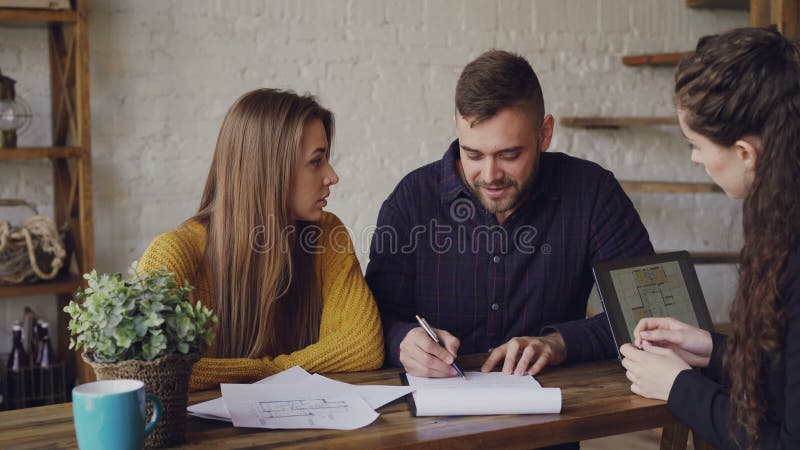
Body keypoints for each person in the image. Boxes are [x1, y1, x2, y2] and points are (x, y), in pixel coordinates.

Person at [366, 50, 654, 381]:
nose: (490, 175)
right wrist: (402, 341)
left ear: (544, 133)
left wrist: (559, 343)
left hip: (550, 423)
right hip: (430, 422)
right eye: (473, 154)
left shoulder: (592, 193)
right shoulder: (412, 200)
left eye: (509, 155)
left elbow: (646, 315)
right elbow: (376, 319)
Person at [620, 27, 800, 449]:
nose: (695, 157)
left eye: (696, 144)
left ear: (744, 153)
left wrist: (680, 387)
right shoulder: (781, 215)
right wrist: (712, 351)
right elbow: (786, 375)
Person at [140, 89, 384, 391]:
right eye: (316, 162)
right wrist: (272, 371)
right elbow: (147, 365)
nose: (332, 176)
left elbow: (362, 345)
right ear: (268, 171)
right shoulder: (175, 252)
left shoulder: (327, 235)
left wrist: (266, 370)